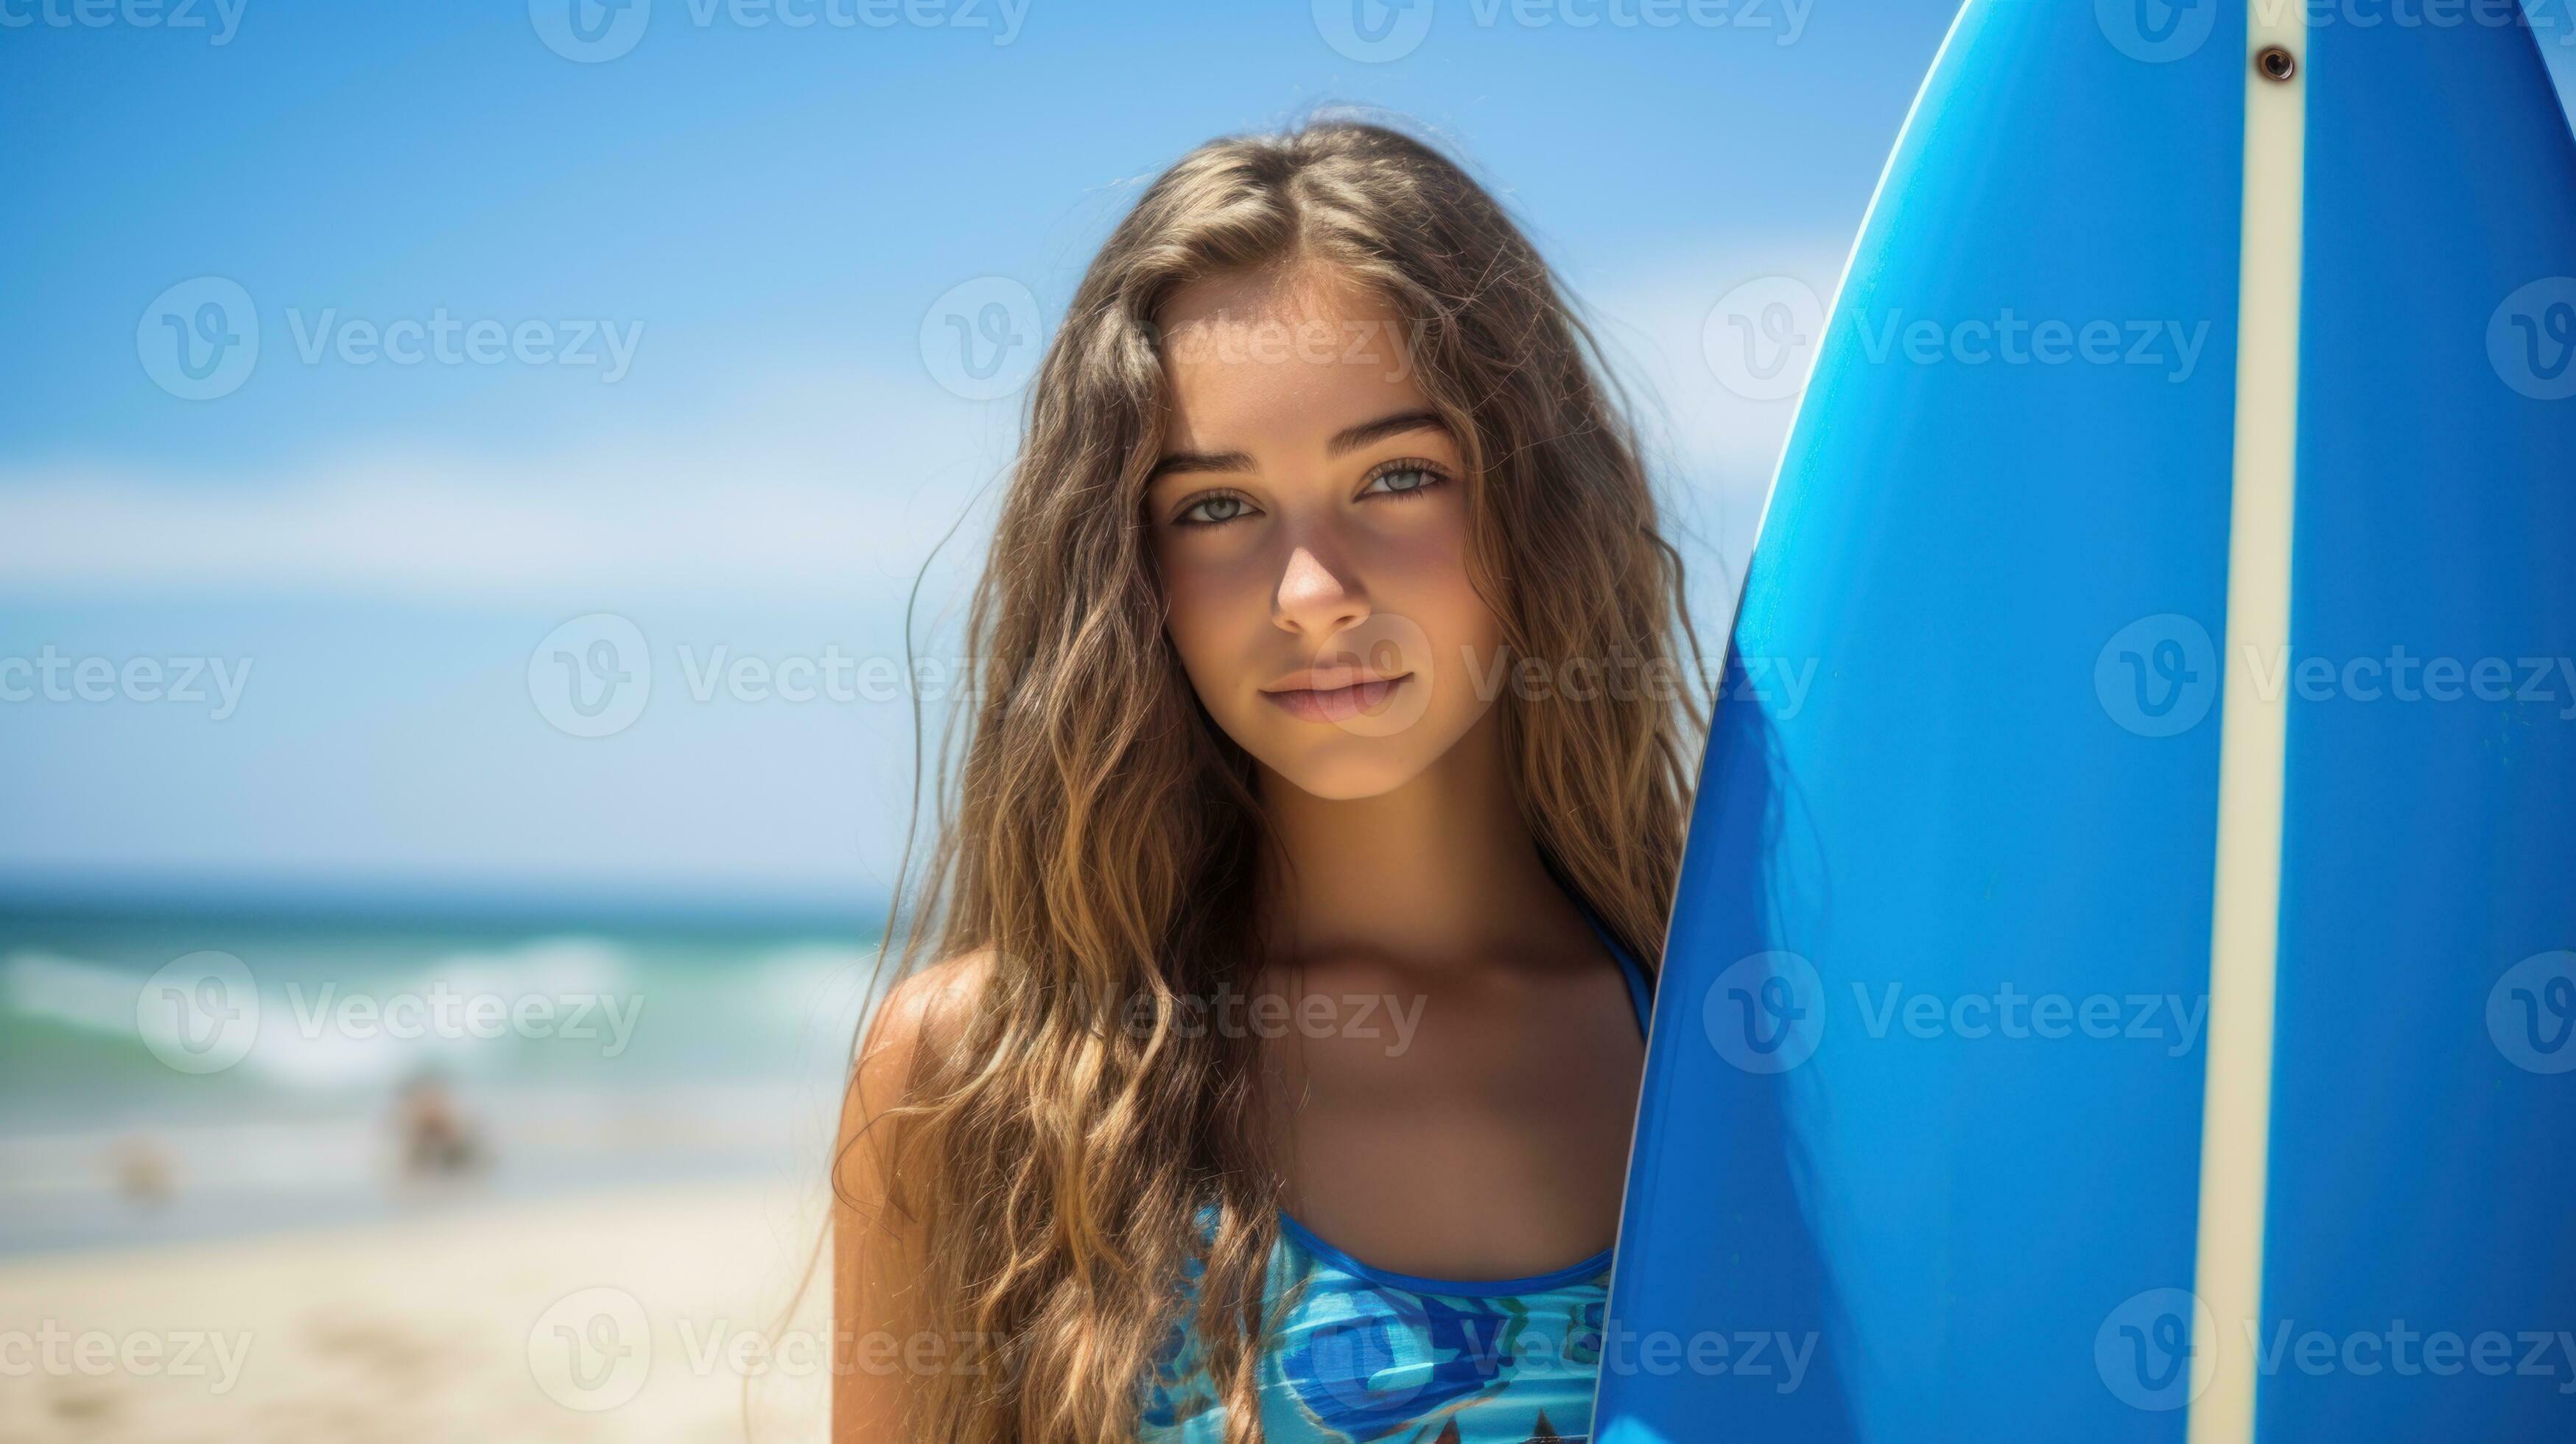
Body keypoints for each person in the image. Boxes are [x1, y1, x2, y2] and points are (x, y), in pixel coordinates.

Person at [833, 117, 1708, 1443]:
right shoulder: (989, 1076)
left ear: (1543, 504)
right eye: (1216, 507)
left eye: (1398, 477)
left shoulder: (1735, 1044)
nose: (1310, 594)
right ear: (1129, 571)